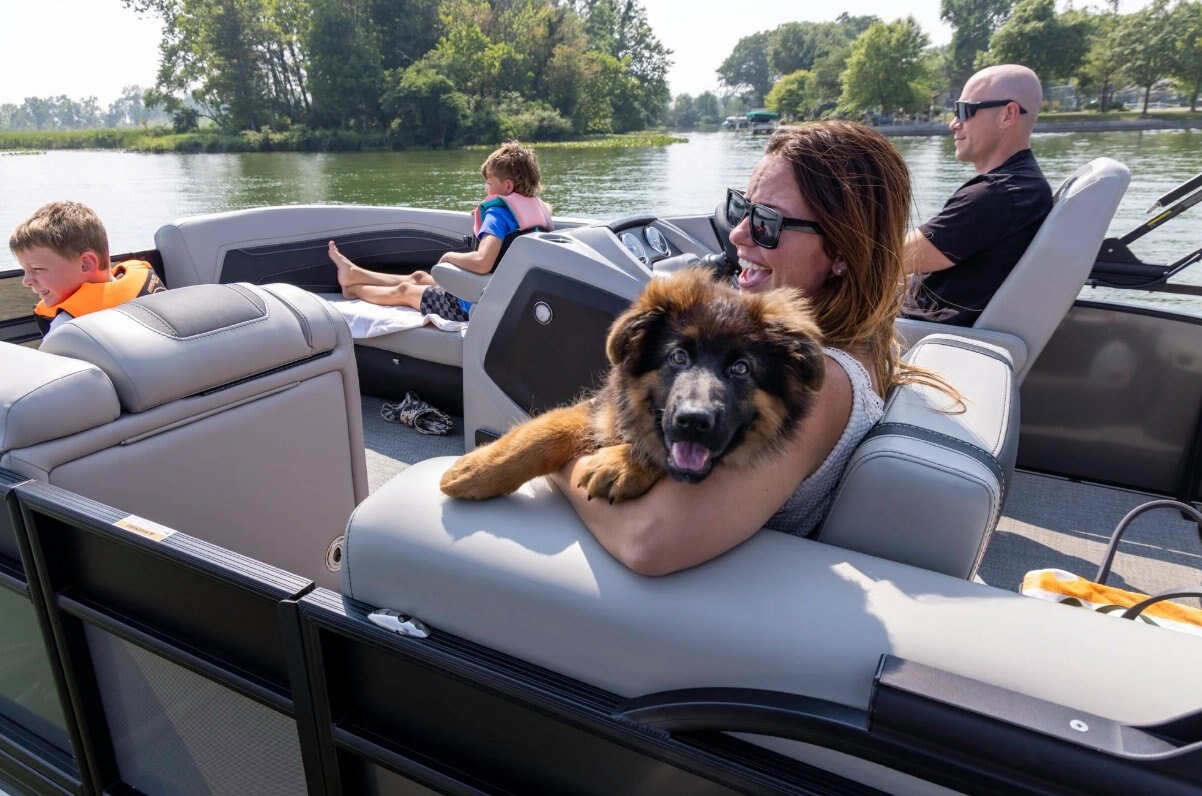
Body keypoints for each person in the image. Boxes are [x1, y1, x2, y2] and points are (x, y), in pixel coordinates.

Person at [549, 121, 955, 576]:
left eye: (767, 223)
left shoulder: (813, 382)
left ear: (842, 251)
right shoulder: (857, 343)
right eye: (741, 208)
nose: (738, 235)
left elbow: (648, 540)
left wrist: (557, 455)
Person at [329, 140, 553, 323]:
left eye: (489, 183)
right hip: (503, 296)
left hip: (470, 304)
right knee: (419, 277)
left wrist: (448, 257)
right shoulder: (537, 212)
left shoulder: (497, 215)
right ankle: (354, 274)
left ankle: (353, 291)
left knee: (406, 290)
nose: (486, 190)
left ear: (508, 186)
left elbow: (483, 262)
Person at [902, 64, 1053, 326]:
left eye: (965, 110)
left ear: (1008, 115)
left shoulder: (1000, 194)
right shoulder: (1023, 186)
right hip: (923, 321)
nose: (953, 124)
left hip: (922, 335)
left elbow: (895, 257)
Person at [12, 200, 166, 337]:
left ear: (86, 264)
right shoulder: (145, 288)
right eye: (24, 270)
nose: (26, 281)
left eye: (37, 268)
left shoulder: (67, 330)